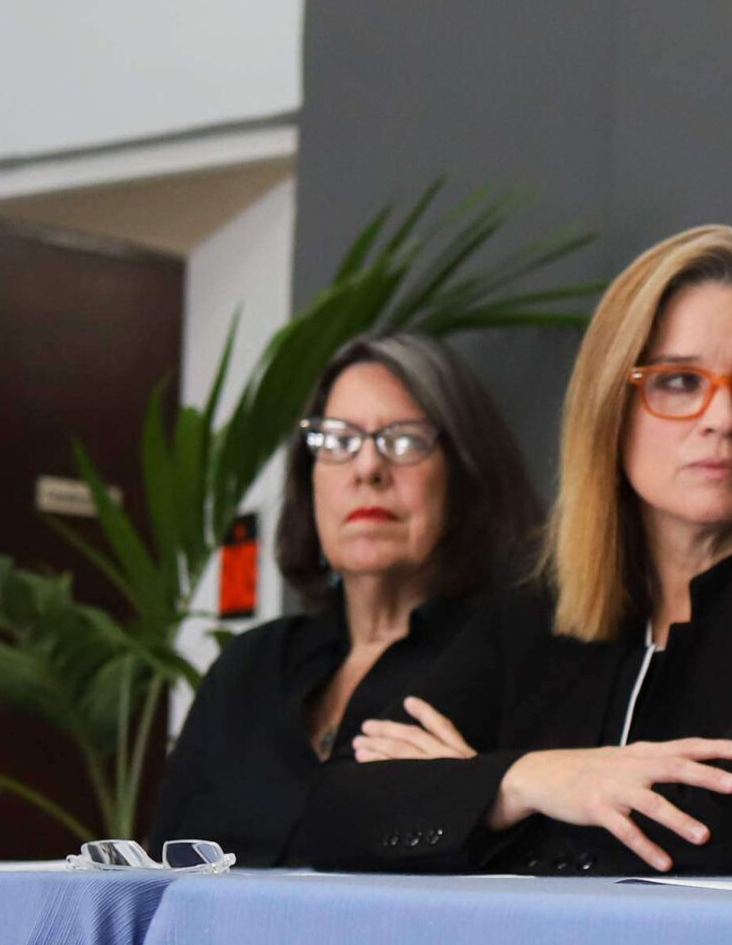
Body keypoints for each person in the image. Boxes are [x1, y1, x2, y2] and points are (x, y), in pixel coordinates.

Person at [297, 225, 732, 874]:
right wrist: (532, 779)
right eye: (679, 382)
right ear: (609, 408)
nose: (723, 418)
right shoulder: (539, 591)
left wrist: (468, 795)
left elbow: (719, 835)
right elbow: (338, 812)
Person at [150, 334, 541, 865]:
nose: (367, 469)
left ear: (466, 473)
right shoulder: (248, 668)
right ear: (309, 482)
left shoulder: (517, 660)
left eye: (403, 441)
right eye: (337, 441)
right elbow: (157, 868)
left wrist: (471, 793)